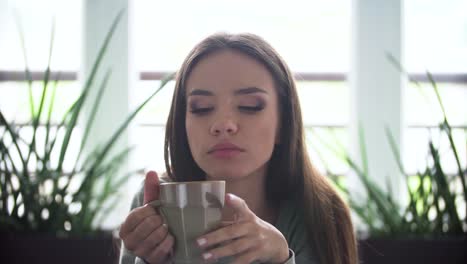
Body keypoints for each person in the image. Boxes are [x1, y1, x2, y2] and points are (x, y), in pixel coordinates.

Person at [119, 33, 358, 264]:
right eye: (201, 108)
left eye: (250, 106)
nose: (223, 125)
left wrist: (281, 257)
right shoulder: (156, 202)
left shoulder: (320, 211)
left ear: (284, 124)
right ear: (182, 125)